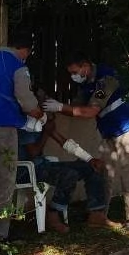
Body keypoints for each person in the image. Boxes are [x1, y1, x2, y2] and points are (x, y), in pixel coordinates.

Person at [42, 53, 129, 229]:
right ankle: (99, 214)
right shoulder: (87, 84)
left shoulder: (105, 79)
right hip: (110, 131)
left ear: (85, 66)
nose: (73, 76)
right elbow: (77, 107)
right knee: (104, 171)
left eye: (75, 72)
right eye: (70, 73)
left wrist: (60, 107)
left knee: (128, 170)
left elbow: (90, 111)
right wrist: (56, 106)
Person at [0, 34, 44, 244]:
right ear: (25, 50)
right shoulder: (18, 66)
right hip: (3, 127)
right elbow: (26, 101)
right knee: (4, 181)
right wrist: (39, 114)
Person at [15, 93, 111, 232]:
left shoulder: (43, 122)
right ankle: (53, 213)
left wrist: (89, 159)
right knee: (69, 174)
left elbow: (64, 143)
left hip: (42, 165)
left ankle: (96, 214)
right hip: (26, 170)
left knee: (91, 167)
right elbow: (33, 153)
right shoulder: (25, 124)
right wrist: (46, 133)